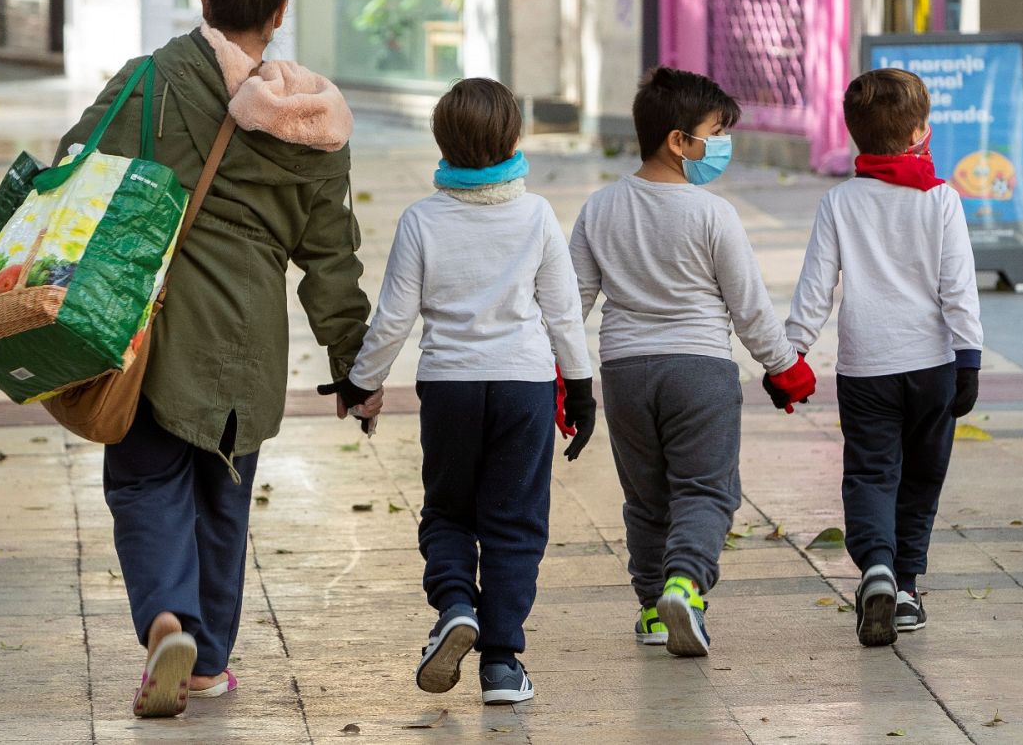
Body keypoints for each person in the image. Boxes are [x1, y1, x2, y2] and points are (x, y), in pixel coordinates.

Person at [54, 0, 372, 717]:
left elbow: (73, 169)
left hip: (153, 333)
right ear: (279, 11)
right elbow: (330, 256)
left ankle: (167, 620)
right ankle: (207, 663)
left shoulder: (153, 80)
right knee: (223, 497)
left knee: (145, 483)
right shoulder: (315, 122)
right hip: (248, 344)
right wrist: (352, 366)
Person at [340, 78, 596, 706]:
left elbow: (394, 318)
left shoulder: (422, 219)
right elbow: (563, 314)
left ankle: (457, 603)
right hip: (525, 386)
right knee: (514, 521)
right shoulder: (535, 215)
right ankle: (503, 663)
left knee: (450, 509)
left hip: (450, 389)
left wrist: (362, 383)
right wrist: (583, 391)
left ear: (441, 142)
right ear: (513, 138)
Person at [568, 67, 816, 658]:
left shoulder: (600, 207)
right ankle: (685, 585)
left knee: (646, 497)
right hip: (700, 370)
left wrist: (559, 373)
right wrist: (784, 370)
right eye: (716, 131)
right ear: (679, 140)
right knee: (706, 492)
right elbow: (750, 308)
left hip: (625, 373)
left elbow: (569, 304)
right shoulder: (713, 214)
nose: (722, 143)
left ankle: (654, 608)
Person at [780, 68, 982, 647]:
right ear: (920, 132)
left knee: (870, 473)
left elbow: (814, 290)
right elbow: (957, 287)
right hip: (933, 366)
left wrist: (790, 355)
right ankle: (909, 589)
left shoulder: (840, 201)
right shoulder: (941, 199)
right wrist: (968, 357)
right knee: (921, 478)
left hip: (866, 368)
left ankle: (877, 570)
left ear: (854, 135)